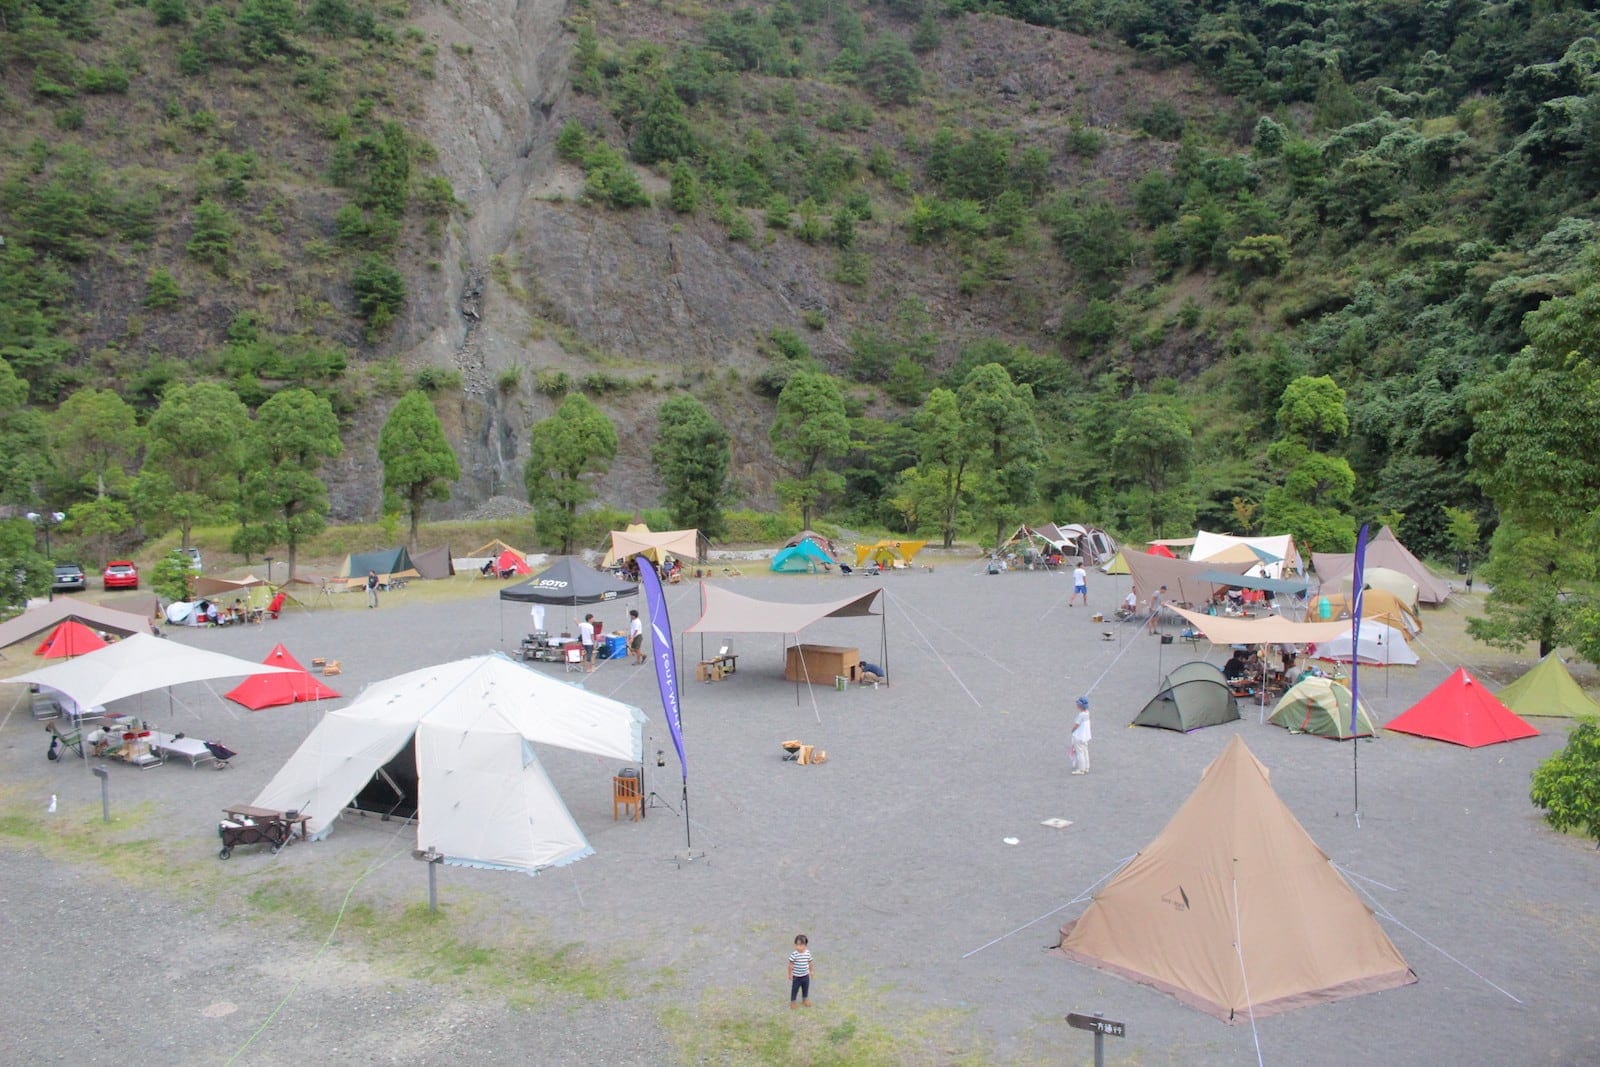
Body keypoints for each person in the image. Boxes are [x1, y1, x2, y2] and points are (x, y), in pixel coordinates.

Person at [788, 934, 813, 1008]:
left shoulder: (808, 953)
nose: (798, 947)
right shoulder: (794, 954)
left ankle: (805, 999)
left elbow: (810, 962)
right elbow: (790, 965)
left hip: (805, 975)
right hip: (797, 977)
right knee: (795, 989)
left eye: (801, 945)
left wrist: (811, 971)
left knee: (805, 988)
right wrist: (790, 974)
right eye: (797, 945)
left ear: (805, 945)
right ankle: (793, 1001)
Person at [1071, 697, 1092, 774]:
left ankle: (1081, 769)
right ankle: (1087, 767)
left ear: (1080, 706)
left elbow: (1076, 725)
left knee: (1080, 752)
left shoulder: (1081, 715)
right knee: (1085, 750)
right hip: (1085, 736)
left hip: (1079, 736)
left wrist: (1072, 730)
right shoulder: (1087, 713)